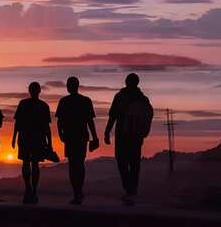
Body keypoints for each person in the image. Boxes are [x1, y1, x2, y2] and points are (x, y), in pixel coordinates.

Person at [105, 73, 153, 206]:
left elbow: (112, 116)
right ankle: (132, 190)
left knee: (122, 161)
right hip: (136, 136)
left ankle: (129, 189)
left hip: (122, 135)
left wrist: (107, 133)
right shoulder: (143, 99)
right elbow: (147, 117)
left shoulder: (120, 97)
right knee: (134, 163)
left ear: (127, 82)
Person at [55, 76, 99, 205]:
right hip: (80, 137)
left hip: (70, 137)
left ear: (69, 86)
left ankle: (77, 192)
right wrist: (94, 137)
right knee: (79, 164)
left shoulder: (64, 101)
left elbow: (60, 121)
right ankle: (78, 192)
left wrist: (61, 134)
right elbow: (90, 121)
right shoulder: (85, 101)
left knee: (73, 165)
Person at [11, 82, 52, 204]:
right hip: (33, 139)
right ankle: (31, 189)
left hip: (29, 138)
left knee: (29, 164)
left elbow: (18, 123)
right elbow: (46, 127)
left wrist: (14, 137)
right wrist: (49, 143)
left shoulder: (26, 104)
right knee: (33, 165)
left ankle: (30, 189)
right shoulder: (42, 105)